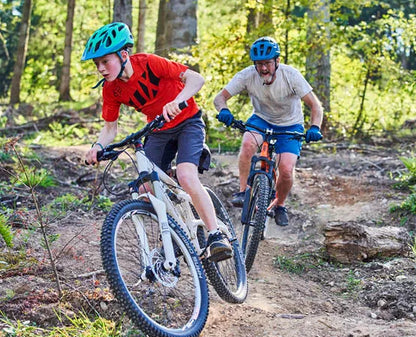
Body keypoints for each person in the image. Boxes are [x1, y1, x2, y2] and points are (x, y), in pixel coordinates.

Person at [82, 22, 232, 261]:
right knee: (145, 188)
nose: (100, 68)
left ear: (123, 54)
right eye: (96, 64)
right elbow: (110, 127)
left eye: (104, 61)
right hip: (158, 130)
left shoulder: (150, 63)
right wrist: (98, 146)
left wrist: (178, 100)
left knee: (186, 175)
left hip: (188, 123)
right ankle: (172, 232)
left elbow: (196, 79)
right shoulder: (111, 89)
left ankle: (215, 236)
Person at [213, 36, 323, 227]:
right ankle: (242, 192)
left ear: (277, 61)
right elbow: (219, 98)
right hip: (261, 120)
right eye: (259, 64)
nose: (263, 68)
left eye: (268, 63)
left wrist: (315, 127)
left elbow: (315, 106)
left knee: (286, 170)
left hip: (290, 125)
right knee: (248, 145)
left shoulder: (291, 75)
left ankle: (280, 205)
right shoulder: (247, 75)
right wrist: (224, 110)